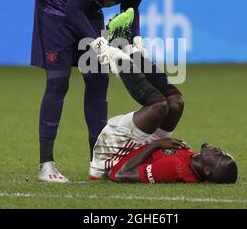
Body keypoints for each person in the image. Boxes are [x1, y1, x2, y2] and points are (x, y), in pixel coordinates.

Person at [30, 0, 177, 182]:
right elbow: (72, 9)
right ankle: (46, 165)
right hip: (55, 9)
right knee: (58, 83)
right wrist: (100, 45)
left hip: (86, 9)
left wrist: (135, 38)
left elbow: (130, 8)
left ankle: (97, 160)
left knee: (98, 81)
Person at [89, 34, 237, 183]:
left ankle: (110, 55)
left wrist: (157, 144)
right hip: (139, 147)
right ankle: (134, 54)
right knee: (176, 103)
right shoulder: (194, 162)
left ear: (207, 170)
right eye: (224, 152)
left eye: (219, 156)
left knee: (159, 106)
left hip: (112, 156)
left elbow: (122, 174)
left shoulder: (173, 169)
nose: (219, 150)